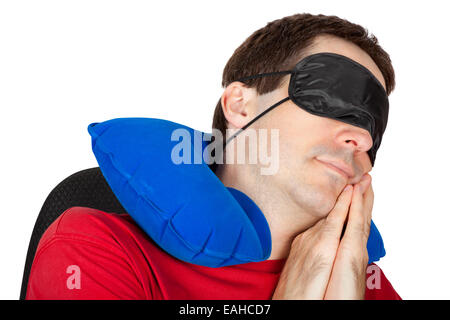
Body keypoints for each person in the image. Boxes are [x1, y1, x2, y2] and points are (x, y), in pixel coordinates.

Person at [26, 13, 401, 300]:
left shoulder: (364, 281)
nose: (363, 138)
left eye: (375, 125)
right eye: (333, 99)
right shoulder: (93, 250)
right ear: (240, 104)